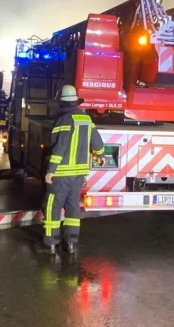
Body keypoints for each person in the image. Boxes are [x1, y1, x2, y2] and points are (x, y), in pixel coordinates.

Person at [35, 85, 105, 255]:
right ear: (75, 102)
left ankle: (50, 244)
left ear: (61, 103)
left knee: (53, 207)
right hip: (78, 175)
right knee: (73, 208)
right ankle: (71, 244)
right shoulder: (86, 120)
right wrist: (101, 156)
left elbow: (59, 147)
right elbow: (98, 143)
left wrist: (50, 170)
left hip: (60, 174)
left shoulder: (64, 121)